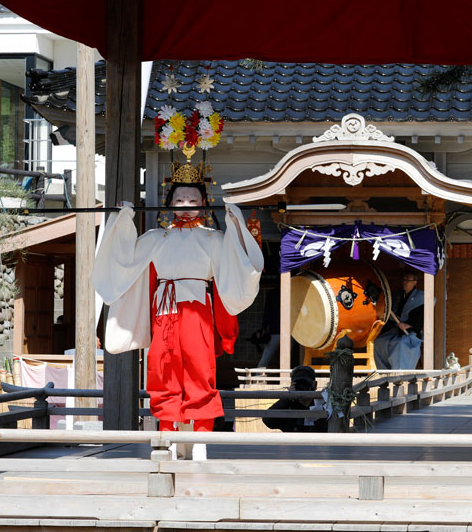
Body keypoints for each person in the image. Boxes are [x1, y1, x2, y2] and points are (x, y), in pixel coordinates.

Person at [93, 175, 264, 460]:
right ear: (169, 204)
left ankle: (200, 437)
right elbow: (124, 255)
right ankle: (167, 434)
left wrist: (235, 223)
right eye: (180, 200)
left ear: (204, 205)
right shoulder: (156, 238)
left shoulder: (213, 239)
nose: (186, 206)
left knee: (200, 370)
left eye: (193, 200)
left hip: (197, 309)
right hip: (164, 310)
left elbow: (240, 260)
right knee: (163, 369)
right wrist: (123, 219)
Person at [373, 271, 424, 370]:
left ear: (415, 282)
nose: (404, 282)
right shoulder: (397, 295)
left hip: (410, 332)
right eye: (403, 280)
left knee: (401, 345)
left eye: (407, 280)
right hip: (395, 330)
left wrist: (408, 325)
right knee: (378, 342)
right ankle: (383, 372)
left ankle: (399, 373)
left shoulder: (421, 297)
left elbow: (421, 316)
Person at [262, 365, 326, 432]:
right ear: (292, 385)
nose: (302, 386)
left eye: (306, 383)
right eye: (298, 384)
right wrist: (288, 397)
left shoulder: (322, 405)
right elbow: (268, 420)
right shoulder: (288, 406)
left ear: (315, 385)